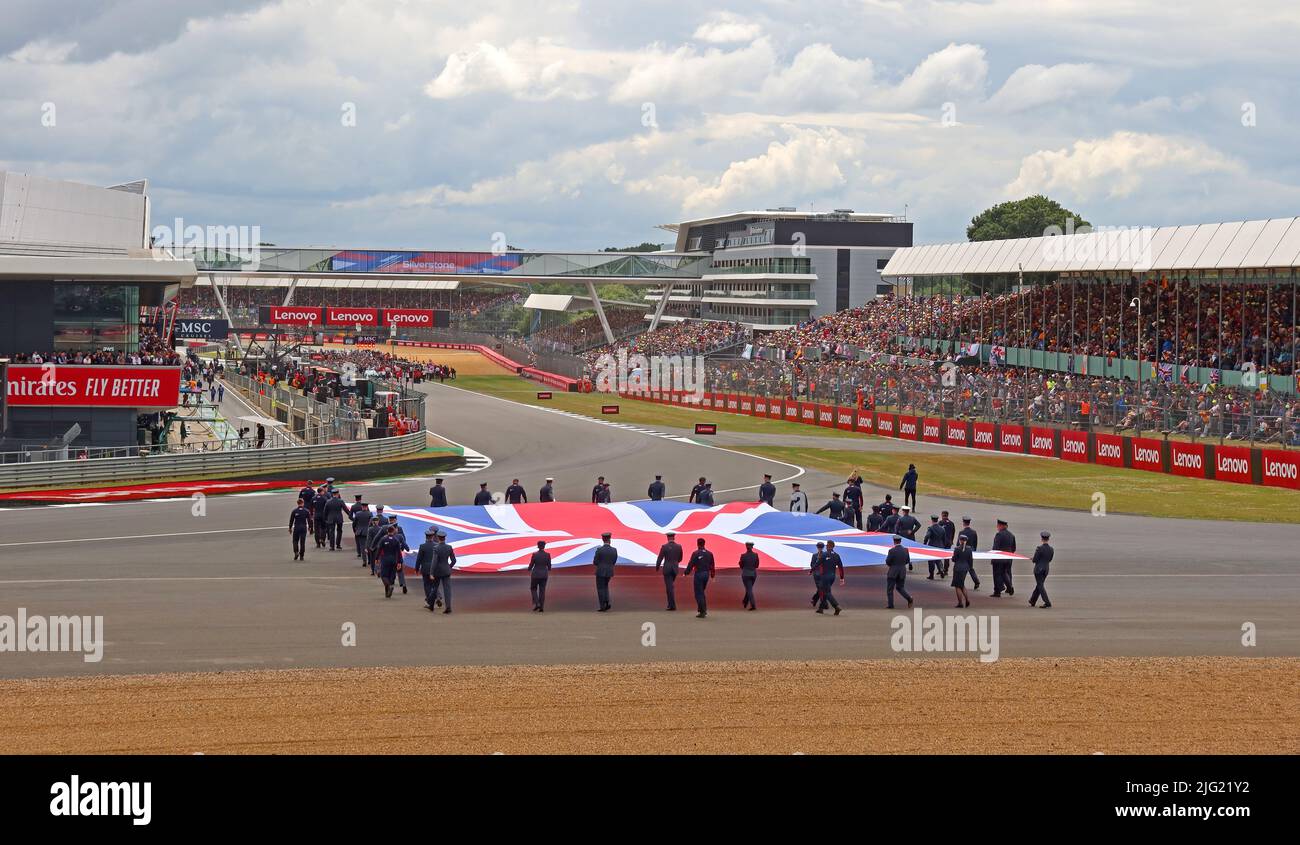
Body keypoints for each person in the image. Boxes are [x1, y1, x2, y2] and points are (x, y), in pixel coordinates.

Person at [685, 538, 715, 618]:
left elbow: (691, 563)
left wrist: (686, 572)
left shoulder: (695, 553)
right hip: (706, 574)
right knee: (701, 592)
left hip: (699, 574)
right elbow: (712, 565)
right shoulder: (710, 553)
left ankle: (702, 611)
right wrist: (712, 575)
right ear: (704, 543)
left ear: (697, 544)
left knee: (698, 593)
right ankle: (703, 609)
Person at [377, 525, 408, 599]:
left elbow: (379, 549)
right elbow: (399, 552)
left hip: (385, 560)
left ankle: (388, 587)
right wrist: (400, 562)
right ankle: (388, 591)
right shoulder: (396, 540)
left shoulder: (383, 539)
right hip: (394, 560)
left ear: (387, 531)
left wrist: (376, 558)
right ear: (394, 531)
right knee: (392, 576)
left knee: (384, 575)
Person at [429, 530, 456, 613]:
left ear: (438, 538)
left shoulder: (436, 548)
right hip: (446, 571)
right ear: (445, 538)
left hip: (437, 571)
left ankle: (431, 605)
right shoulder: (449, 547)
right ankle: (448, 607)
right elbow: (454, 560)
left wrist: (431, 573)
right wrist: (449, 567)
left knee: (434, 588)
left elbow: (434, 562)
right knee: (447, 589)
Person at [655, 531, 683, 611]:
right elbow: (680, 558)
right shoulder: (679, 546)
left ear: (667, 538)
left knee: (669, 587)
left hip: (667, 568)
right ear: (674, 537)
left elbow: (660, 557)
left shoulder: (664, 547)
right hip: (675, 569)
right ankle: (671, 604)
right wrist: (675, 563)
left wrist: (657, 566)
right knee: (670, 586)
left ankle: (672, 605)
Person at [814, 540, 844, 615]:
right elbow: (840, 567)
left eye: (827, 545)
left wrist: (811, 571)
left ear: (828, 546)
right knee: (823, 589)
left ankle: (836, 606)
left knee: (826, 592)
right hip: (832, 577)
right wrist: (842, 578)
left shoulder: (824, 554)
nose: (826, 546)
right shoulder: (837, 555)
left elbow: (817, 564)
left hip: (825, 576)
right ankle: (821, 608)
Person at [885, 535, 914, 610]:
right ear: (900, 541)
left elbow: (888, 561)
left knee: (890, 589)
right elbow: (908, 560)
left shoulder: (892, 551)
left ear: (894, 542)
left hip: (893, 572)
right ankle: (909, 598)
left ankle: (891, 605)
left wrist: (893, 566)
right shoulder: (906, 550)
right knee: (900, 587)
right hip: (902, 571)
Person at [991, 518, 1017, 598]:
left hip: (999, 558)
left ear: (1001, 526)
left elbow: (996, 547)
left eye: (998, 526)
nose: (997, 527)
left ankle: (997, 592)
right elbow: (1013, 548)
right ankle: (1009, 587)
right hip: (1008, 558)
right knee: (1004, 573)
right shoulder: (1011, 535)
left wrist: (993, 557)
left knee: (997, 574)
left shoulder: (999, 535)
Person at [415, 528, 440, 609]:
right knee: (435, 585)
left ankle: (429, 601)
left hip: (425, 568)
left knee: (427, 585)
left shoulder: (422, 546)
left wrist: (416, 568)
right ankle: (437, 598)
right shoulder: (437, 545)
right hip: (435, 568)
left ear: (426, 537)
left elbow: (419, 558)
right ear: (432, 537)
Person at [593, 532, 617, 611]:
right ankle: (607, 602)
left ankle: (602, 606)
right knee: (605, 587)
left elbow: (595, 562)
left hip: (600, 571)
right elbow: (614, 561)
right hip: (609, 571)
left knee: (600, 588)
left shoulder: (599, 550)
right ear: (610, 539)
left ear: (603, 539)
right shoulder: (614, 550)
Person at [1029, 531, 1053, 608]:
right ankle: (1033, 600)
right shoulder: (1051, 549)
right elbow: (1050, 559)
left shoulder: (1039, 548)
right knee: (1039, 585)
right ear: (1048, 539)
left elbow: (1035, 559)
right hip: (1046, 569)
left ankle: (1047, 602)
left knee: (1040, 586)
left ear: (1042, 539)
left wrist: (1032, 559)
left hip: (1039, 569)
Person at [957, 517, 981, 590]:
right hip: (971, 551)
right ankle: (976, 581)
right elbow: (975, 543)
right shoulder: (974, 532)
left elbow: (958, 544)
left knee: (962, 567)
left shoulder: (961, 532)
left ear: (964, 523)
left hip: (963, 552)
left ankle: (961, 582)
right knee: (970, 567)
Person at [950, 535, 973, 608]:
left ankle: (960, 603)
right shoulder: (969, 549)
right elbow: (970, 560)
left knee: (958, 586)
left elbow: (954, 559)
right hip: (965, 568)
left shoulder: (957, 549)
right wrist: (969, 567)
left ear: (960, 540)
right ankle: (967, 600)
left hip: (958, 569)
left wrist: (952, 557)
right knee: (962, 585)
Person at [528, 540, 552, 611]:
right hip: (544, 575)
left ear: (538, 546)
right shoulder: (548, 555)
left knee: (533, 589)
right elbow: (549, 566)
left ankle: (537, 603)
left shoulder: (535, 555)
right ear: (544, 546)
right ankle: (541, 607)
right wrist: (548, 569)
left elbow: (531, 564)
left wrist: (529, 569)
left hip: (535, 574)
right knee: (542, 591)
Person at [922, 515, 946, 580]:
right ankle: (941, 569)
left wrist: (924, 543)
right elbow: (944, 538)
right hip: (940, 545)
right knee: (938, 559)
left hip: (932, 545)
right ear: (937, 520)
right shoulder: (942, 528)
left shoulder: (931, 528)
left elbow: (927, 536)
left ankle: (931, 575)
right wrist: (943, 545)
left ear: (932, 520)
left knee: (931, 561)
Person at [738, 541, 760, 610]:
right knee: (749, 588)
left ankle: (753, 605)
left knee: (749, 589)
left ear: (746, 547)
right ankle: (745, 601)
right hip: (753, 574)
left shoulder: (743, 556)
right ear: (752, 547)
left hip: (745, 574)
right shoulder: (756, 555)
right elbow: (757, 565)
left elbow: (741, 565)